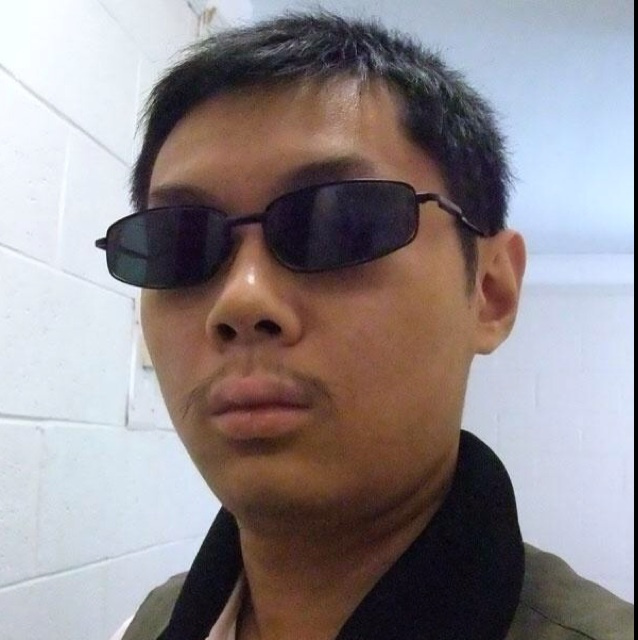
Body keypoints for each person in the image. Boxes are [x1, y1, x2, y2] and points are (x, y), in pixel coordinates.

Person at [100, 11, 633, 640]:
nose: (240, 301)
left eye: (339, 224)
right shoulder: (150, 622)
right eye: (180, 244)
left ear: (490, 291)